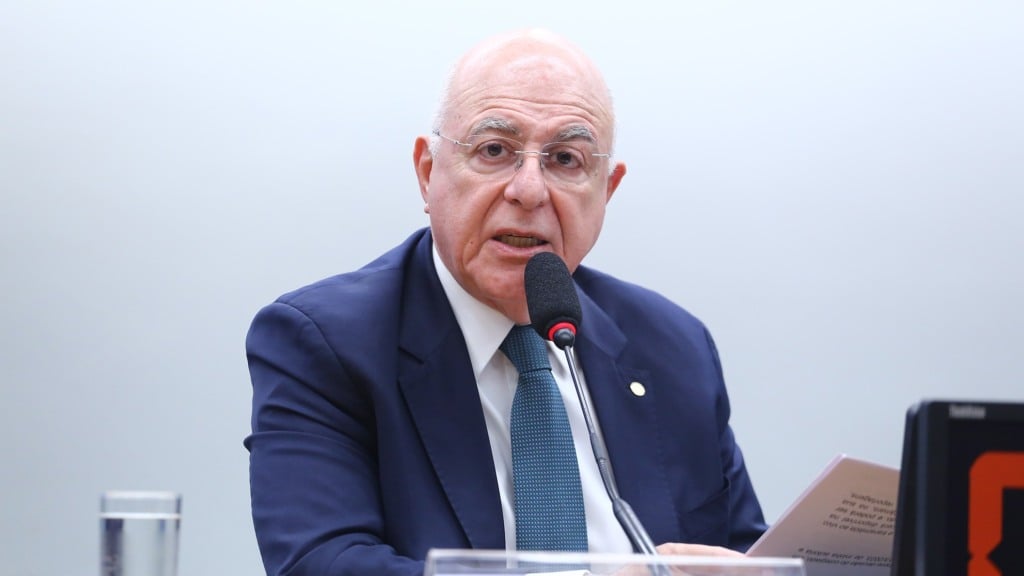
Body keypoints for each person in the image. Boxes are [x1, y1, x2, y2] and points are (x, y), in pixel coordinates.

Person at [244, 28, 767, 576]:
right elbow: (324, 565)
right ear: (427, 173)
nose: (530, 191)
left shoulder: (674, 346)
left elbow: (751, 558)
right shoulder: (325, 343)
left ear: (606, 191)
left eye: (565, 159)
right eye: (494, 151)